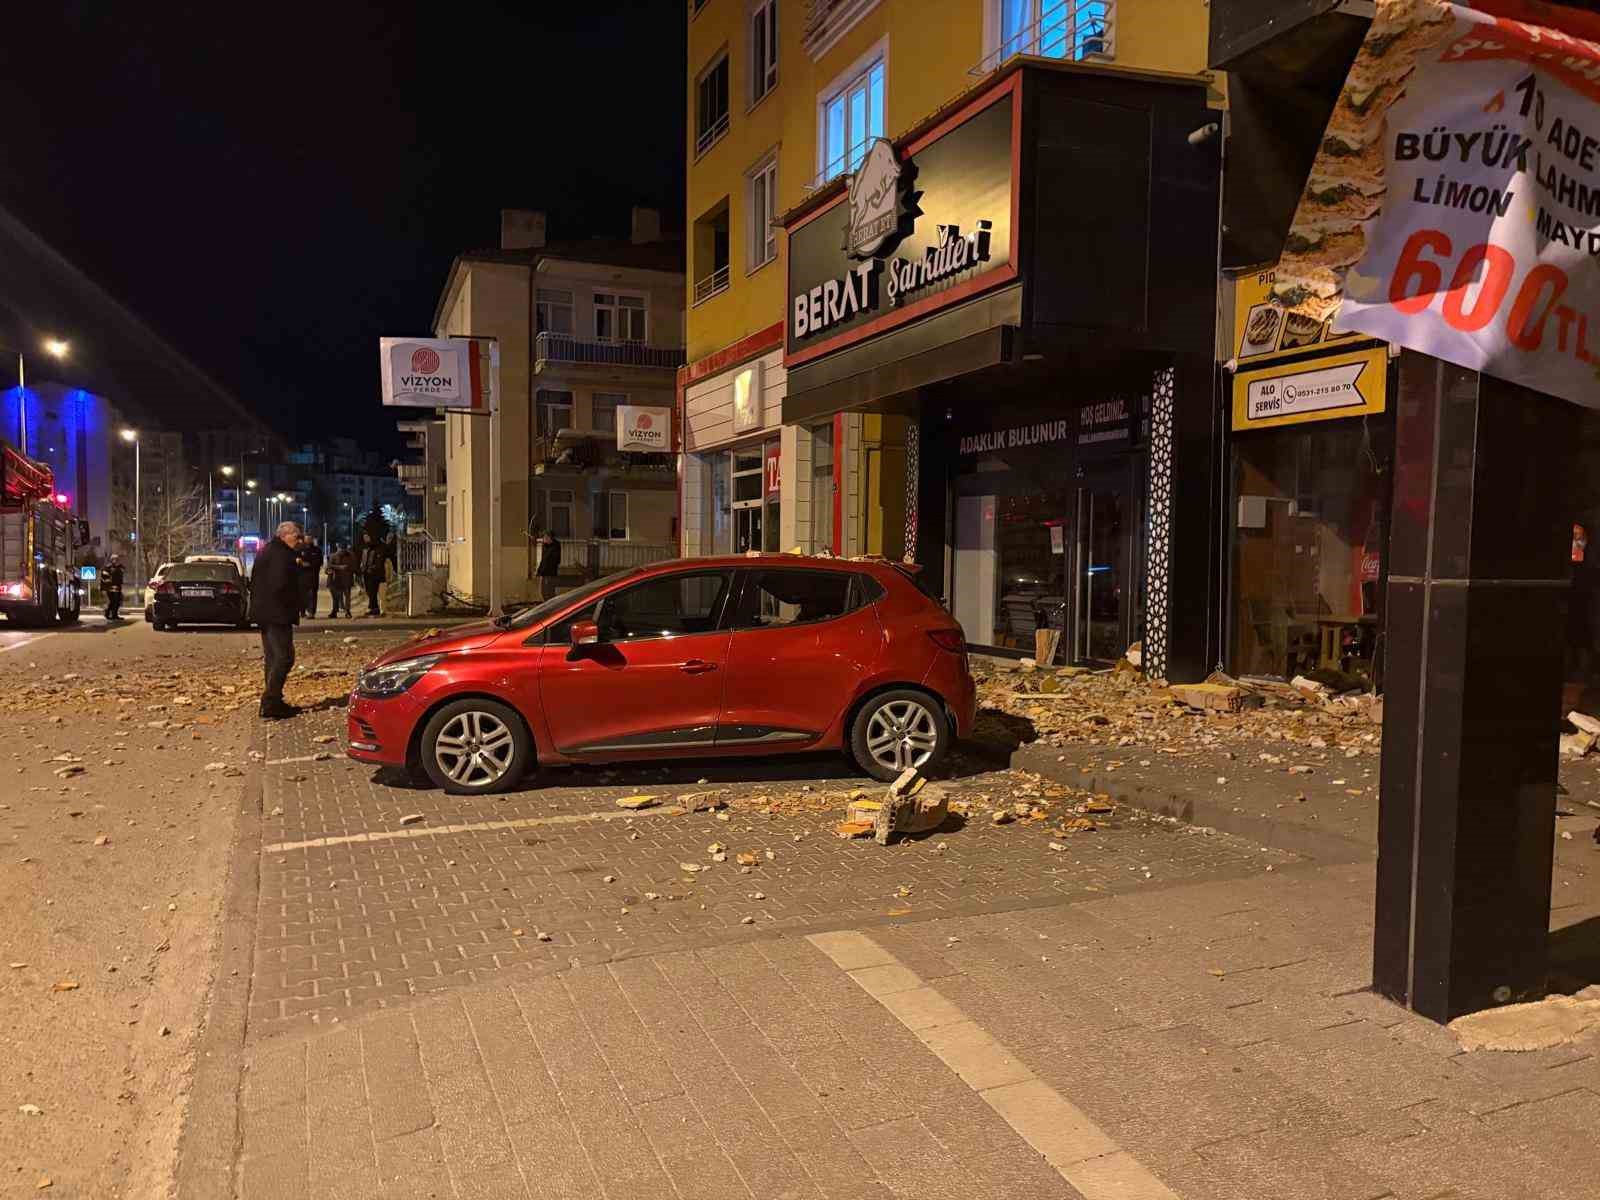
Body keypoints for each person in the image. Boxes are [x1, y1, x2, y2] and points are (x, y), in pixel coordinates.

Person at [250, 521, 305, 720]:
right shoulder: (281, 555)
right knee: (284, 657)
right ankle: (270, 701)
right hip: (277, 614)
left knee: (273, 658)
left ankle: (274, 700)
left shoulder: (270, 550)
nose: (299, 541)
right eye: (296, 536)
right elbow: (280, 584)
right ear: (284, 535)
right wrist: (294, 602)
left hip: (266, 612)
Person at [359, 533, 387, 617]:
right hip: (367, 574)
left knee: (375, 592)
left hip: (376, 575)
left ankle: (377, 609)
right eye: (364, 538)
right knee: (370, 592)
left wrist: (372, 568)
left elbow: (380, 562)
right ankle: (373, 608)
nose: (366, 539)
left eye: (367, 537)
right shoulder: (365, 549)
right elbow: (363, 560)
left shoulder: (378, 549)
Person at [297, 536, 324, 619]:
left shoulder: (317, 550)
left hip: (313, 576)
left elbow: (319, 562)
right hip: (301, 577)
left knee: (312, 595)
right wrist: (300, 563)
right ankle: (302, 611)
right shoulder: (300, 550)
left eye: (310, 539)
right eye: (307, 539)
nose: (308, 540)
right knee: (302, 595)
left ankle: (311, 612)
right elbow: (296, 560)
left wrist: (309, 564)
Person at [325, 543, 355, 618]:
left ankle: (347, 611)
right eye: (340, 549)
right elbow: (328, 566)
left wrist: (348, 569)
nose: (341, 551)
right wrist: (339, 567)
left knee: (347, 596)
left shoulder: (350, 556)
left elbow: (353, 566)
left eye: (343, 549)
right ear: (337, 548)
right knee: (335, 597)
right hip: (335, 580)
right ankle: (334, 611)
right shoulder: (333, 556)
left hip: (346, 579)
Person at [535, 529, 561, 601]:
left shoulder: (555, 546)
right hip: (544, 573)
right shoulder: (545, 546)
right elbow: (543, 560)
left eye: (545, 537)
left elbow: (555, 560)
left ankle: (553, 606)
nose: (544, 539)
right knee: (543, 592)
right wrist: (539, 571)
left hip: (550, 573)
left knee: (549, 592)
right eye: (543, 537)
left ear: (550, 538)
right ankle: (547, 606)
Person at [102, 555, 125, 621]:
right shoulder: (108, 568)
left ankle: (114, 615)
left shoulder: (119, 567)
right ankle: (108, 614)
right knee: (113, 601)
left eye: (117, 559)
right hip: (110, 588)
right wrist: (108, 585)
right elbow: (105, 577)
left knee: (117, 602)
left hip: (118, 587)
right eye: (115, 559)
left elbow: (122, 572)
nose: (116, 561)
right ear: (111, 560)